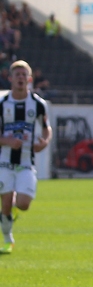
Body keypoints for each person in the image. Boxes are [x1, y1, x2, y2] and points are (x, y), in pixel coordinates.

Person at [0, 60, 52, 254]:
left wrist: (44, 142)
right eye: (17, 75)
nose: (21, 78)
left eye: (24, 75)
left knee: (23, 204)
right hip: (4, 162)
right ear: (10, 78)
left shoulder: (38, 104)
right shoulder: (3, 104)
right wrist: (6, 141)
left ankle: (14, 207)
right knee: (4, 202)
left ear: (29, 79)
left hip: (26, 162)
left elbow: (47, 129)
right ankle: (7, 240)